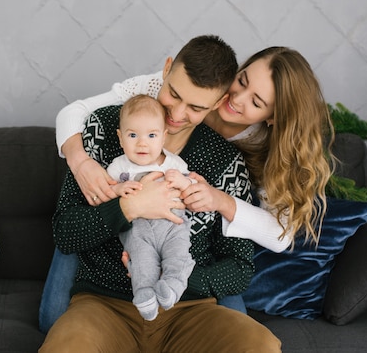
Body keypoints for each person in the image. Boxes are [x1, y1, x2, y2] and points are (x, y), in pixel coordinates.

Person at [39, 45, 335, 333]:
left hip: (194, 254)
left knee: (245, 336)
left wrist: (220, 201)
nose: (236, 98)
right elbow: (74, 112)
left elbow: (275, 239)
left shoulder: (253, 152)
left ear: (272, 117)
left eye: (256, 102)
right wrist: (81, 163)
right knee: (54, 322)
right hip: (109, 252)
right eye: (241, 81)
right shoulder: (158, 95)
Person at [107, 94, 196, 321]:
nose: (142, 143)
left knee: (178, 255)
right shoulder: (118, 167)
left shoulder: (174, 164)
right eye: (133, 135)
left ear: (163, 137)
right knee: (141, 261)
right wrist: (118, 190)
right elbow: (104, 194)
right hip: (138, 230)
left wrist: (184, 182)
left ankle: (172, 286)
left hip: (173, 227)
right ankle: (145, 297)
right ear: (120, 138)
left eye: (152, 135)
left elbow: (194, 195)